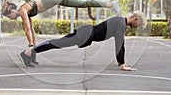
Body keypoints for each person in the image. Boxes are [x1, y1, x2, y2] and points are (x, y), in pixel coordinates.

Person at [18, 11, 147, 71]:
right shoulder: (121, 23)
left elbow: (119, 43)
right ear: (135, 19)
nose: (137, 27)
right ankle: (29, 52)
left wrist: (121, 62)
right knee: (58, 43)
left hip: (87, 33)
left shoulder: (120, 21)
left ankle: (31, 52)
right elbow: (120, 43)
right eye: (139, 25)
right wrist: (122, 64)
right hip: (86, 34)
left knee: (58, 43)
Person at [2, 0, 121, 47]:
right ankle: (110, 5)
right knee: (83, 4)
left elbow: (27, 29)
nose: (10, 18)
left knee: (84, 3)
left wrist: (30, 45)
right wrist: (34, 45)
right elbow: (31, 29)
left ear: (12, 11)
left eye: (9, 16)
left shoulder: (23, 10)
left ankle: (111, 4)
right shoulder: (25, 12)